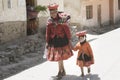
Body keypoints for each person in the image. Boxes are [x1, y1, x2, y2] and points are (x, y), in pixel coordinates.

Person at [45, 3, 73, 78]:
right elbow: (48, 33)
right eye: (51, 13)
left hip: (62, 40)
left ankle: (60, 71)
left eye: (54, 12)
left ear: (57, 11)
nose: (53, 14)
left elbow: (67, 30)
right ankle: (62, 70)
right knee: (59, 57)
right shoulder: (49, 21)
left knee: (59, 57)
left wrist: (69, 40)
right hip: (54, 41)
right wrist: (47, 42)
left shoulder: (62, 19)